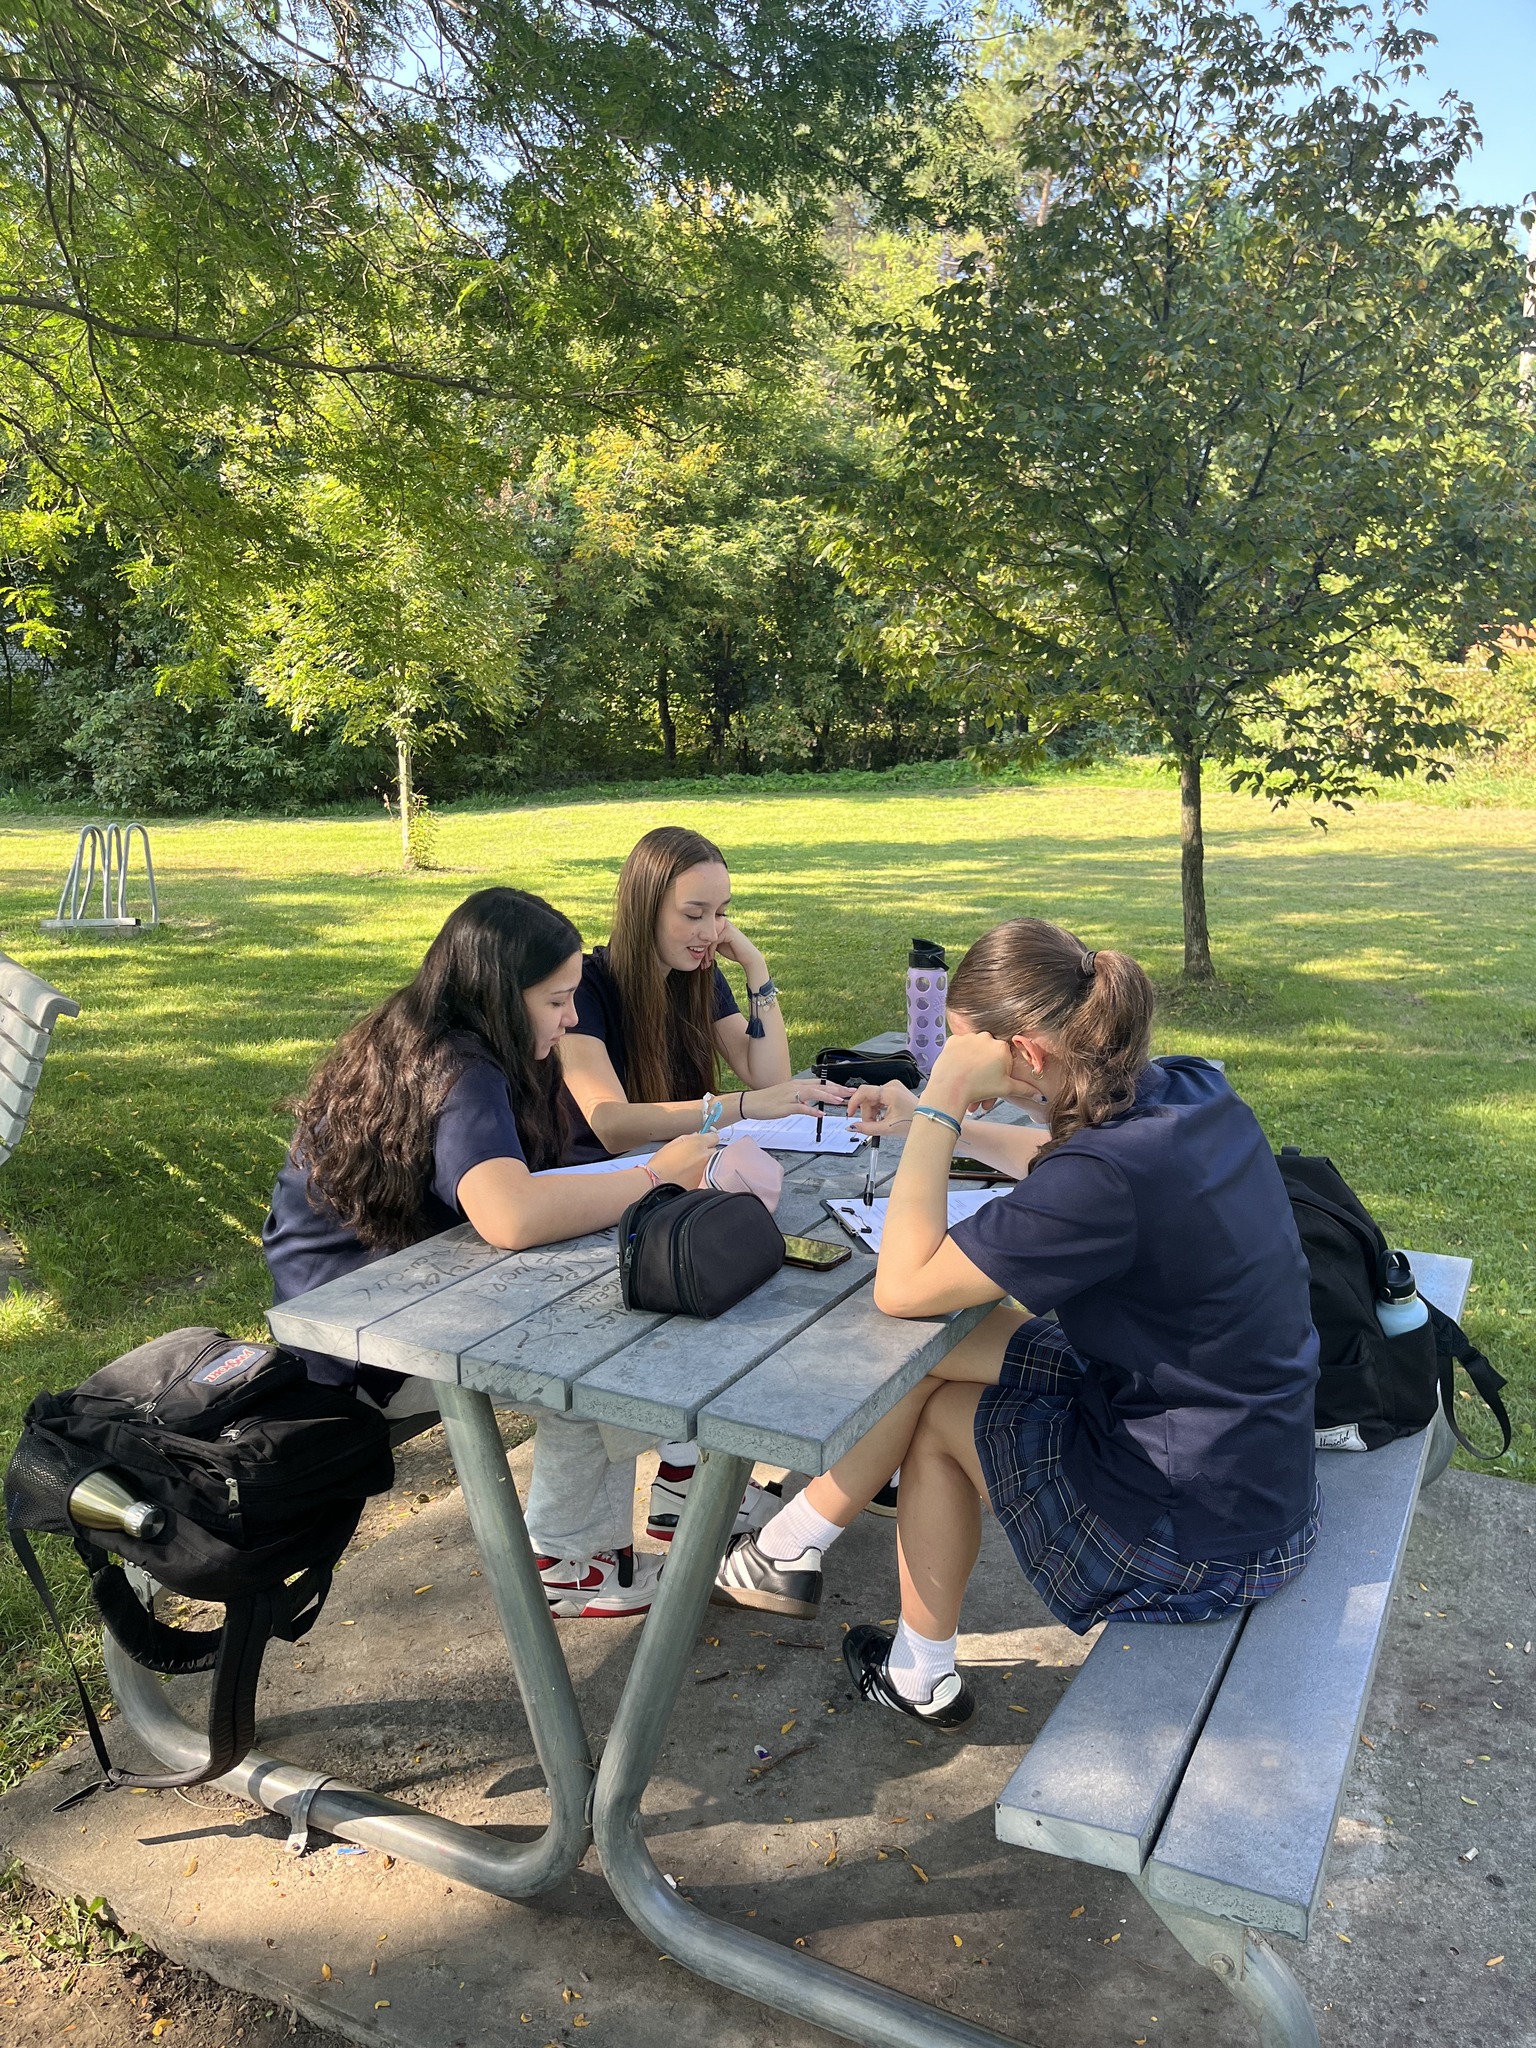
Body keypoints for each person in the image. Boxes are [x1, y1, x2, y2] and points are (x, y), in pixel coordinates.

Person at [712, 916, 1321, 1731]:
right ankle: (788, 1549)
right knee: (945, 1348)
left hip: (1197, 1537)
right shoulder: (1183, 1088)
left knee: (938, 1416)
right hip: (1249, 1463)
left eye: (964, 1046)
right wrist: (932, 1122)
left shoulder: (1104, 1177)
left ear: (1024, 1053)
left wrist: (940, 1105)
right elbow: (1056, 1166)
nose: (952, 1060)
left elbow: (903, 1287)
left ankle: (914, 1671)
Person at [263, 887, 718, 1619]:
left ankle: (644, 1506)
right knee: (594, 1373)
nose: (572, 1018)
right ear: (501, 996)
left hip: (402, 1291)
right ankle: (572, 1563)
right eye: (557, 1001)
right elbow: (510, 1215)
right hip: (359, 1344)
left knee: (617, 1315)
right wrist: (656, 1177)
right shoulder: (459, 1068)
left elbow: (520, 1185)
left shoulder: (432, 1032)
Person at [546, 824, 851, 1554]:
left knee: (762, 1269)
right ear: (644, 906)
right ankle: (679, 1481)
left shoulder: (699, 974)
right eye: (694, 914)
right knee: (719, 1280)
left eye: (723, 914)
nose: (712, 931)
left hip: (676, 1188)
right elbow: (610, 1123)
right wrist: (732, 1110)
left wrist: (757, 970)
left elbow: (768, 1075)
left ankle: (686, 1479)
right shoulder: (588, 987)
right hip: (597, 1195)